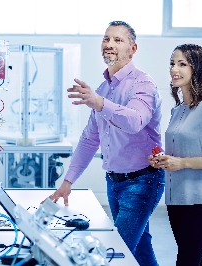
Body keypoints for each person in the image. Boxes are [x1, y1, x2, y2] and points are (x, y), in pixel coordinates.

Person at [46, 21, 165, 266]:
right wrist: (67, 182)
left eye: (118, 40)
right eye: (106, 39)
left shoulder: (143, 84)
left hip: (142, 181)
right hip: (115, 182)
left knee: (113, 254)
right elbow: (90, 139)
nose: (109, 44)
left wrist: (100, 103)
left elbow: (135, 121)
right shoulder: (103, 88)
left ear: (133, 49)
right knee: (140, 249)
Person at [149, 44, 202, 266]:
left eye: (182, 64)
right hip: (175, 197)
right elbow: (178, 154)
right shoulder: (177, 110)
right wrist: (163, 160)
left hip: (201, 199)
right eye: (172, 63)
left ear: (196, 68)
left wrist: (182, 162)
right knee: (196, 260)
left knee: (187, 261)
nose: (174, 69)